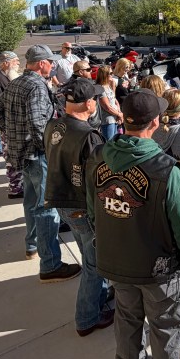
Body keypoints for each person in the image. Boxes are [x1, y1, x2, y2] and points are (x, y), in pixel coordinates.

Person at [86, 90, 180, 359]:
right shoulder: (169, 172)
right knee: (165, 327)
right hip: (159, 269)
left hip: (116, 262)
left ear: (124, 121)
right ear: (155, 123)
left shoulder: (99, 158)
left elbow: (94, 210)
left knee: (127, 319)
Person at [0, 44, 81, 282]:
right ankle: (50, 265)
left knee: (31, 202)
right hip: (38, 155)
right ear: (42, 63)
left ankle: (32, 245)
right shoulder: (37, 86)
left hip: (23, 154)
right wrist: (50, 148)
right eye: (50, 62)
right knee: (47, 208)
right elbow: (37, 122)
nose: (52, 66)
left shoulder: (18, 82)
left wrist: (12, 131)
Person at [44, 78, 115, 337]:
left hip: (61, 201)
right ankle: (87, 318)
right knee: (95, 263)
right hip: (81, 207)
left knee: (88, 255)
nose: (96, 102)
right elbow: (99, 179)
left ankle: (100, 295)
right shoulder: (88, 136)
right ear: (87, 104)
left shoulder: (54, 125)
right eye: (94, 98)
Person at [0, 51, 23, 199]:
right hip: (8, 127)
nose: (18, 63)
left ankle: (18, 186)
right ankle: (15, 189)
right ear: (6, 63)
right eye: (15, 61)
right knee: (11, 158)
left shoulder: (6, 76)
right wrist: (4, 126)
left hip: (13, 126)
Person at [95, 64, 123, 140]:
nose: (112, 75)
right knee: (109, 142)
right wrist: (119, 114)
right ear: (104, 75)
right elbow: (107, 107)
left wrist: (119, 113)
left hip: (115, 118)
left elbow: (114, 100)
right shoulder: (100, 88)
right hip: (107, 121)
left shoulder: (108, 85)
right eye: (110, 73)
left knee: (115, 142)